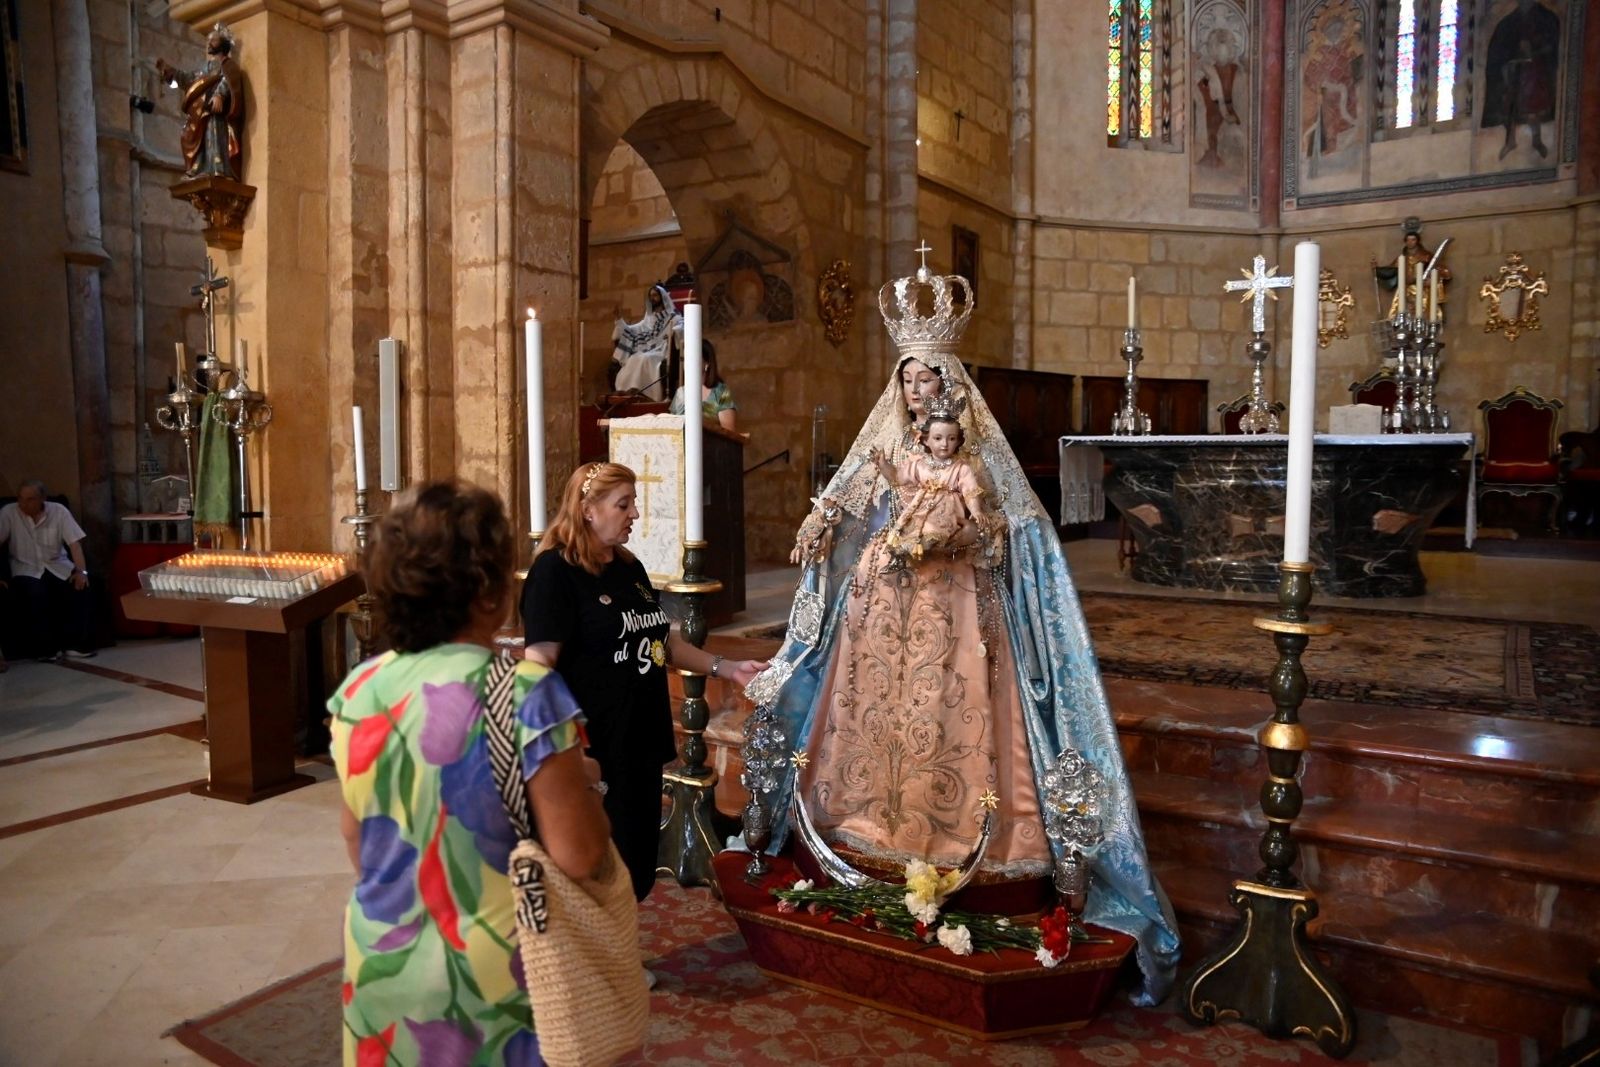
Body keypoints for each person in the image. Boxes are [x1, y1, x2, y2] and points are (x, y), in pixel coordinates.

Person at [755, 268, 1180, 1007]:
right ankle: (865, 824)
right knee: (877, 716)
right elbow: (852, 484)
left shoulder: (976, 454)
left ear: (948, 384)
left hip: (954, 607)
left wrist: (964, 530)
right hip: (882, 611)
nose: (918, 391)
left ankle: (960, 838)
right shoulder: (890, 439)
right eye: (909, 380)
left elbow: (1014, 526)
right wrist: (822, 516)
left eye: (929, 379)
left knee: (949, 710)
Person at [329, 481, 613, 1066]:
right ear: (490, 593)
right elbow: (581, 855)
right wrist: (586, 783)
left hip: (382, 967)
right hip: (495, 979)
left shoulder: (360, 689)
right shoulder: (524, 691)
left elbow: (359, 842)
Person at [522, 462, 767, 908]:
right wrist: (559, 742)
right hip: (592, 742)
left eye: (634, 503)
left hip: (638, 735)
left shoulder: (628, 567)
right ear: (588, 509)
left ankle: (620, 958)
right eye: (624, 504)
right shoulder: (554, 573)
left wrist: (726, 668)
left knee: (634, 856)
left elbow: (661, 642)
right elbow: (539, 664)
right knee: (591, 859)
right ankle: (585, 965)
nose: (634, 513)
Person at [869, 394, 1000, 564]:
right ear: (926, 440)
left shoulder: (961, 468)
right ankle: (911, 550)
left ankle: (932, 545)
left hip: (946, 513)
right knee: (911, 533)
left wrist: (976, 511)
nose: (944, 444)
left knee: (933, 532)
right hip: (920, 510)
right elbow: (897, 478)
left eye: (951, 438)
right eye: (938, 438)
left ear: (958, 441)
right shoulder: (919, 464)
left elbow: (970, 492)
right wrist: (883, 464)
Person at [0, 480, 95, 666]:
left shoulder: (58, 511)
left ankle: (75, 645)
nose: (24, 504)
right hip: (25, 567)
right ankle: (46, 649)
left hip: (57, 565)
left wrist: (81, 571)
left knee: (80, 587)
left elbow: (75, 544)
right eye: (21, 499)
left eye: (30, 499)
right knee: (36, 593)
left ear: (42, 499)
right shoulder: (9, 513)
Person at [155, 23, 245, 181]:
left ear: (223, 44)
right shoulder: (205, 67)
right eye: (208, 40)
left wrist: (219, 95)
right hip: (201, 111)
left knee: (214, 134)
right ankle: (200, 168)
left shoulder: (228, 65)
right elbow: (189, 79)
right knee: (189, 135)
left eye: (214, 40)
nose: (209, 43)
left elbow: (228, 80)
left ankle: (218, 169)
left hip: (216, 112)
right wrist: (172, 73)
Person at [610, 285, 681, 399]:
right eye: (651, 296)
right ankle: (629, 392)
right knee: (634, 358)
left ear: (662, 297)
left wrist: (676, 331)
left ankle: (646, 394)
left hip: (662, 352)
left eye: (655, 295)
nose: (652, 298)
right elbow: (632, 330)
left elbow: (681, 326)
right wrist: (619, 320)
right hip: (649, 350)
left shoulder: (673, 317)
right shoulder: (649, 319)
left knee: (645, 358)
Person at [668, 339, 738, 432]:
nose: (686, 364)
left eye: (692, 358)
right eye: (684, 359)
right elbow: (671, 428)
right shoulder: (681, 393)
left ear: (707, 363)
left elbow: (729, 432)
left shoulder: (720, 392)